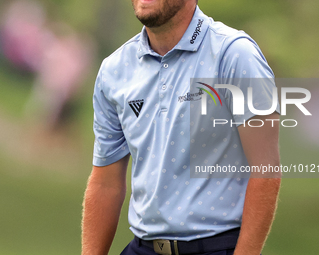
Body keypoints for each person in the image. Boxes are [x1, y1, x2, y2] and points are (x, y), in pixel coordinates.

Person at [82, 0, 281, 254]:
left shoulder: (234, 54)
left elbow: (266, 171)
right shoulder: (114, 70)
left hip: (217, 247)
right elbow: (105, 183)